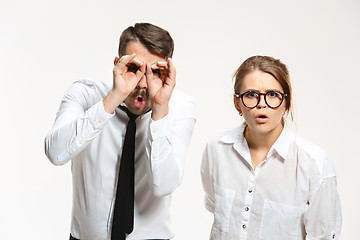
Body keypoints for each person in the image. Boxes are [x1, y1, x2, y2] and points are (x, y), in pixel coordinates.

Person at [45, 23, 196, 240]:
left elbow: (164, 185)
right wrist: (114, 97)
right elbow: (55, 152)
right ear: (117, 64)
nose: (143, 83)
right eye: (134, 68)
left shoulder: (180, 106)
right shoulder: (86, 94)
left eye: (155, 71)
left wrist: (160, 109)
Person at [201, 56, 341, 239]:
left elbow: (323, 235)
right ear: (237, 103)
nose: (262, 104)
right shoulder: (217, 148)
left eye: (272, 95)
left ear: (286, 103)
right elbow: (214, 204)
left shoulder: (314, 164)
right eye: (251, 94)